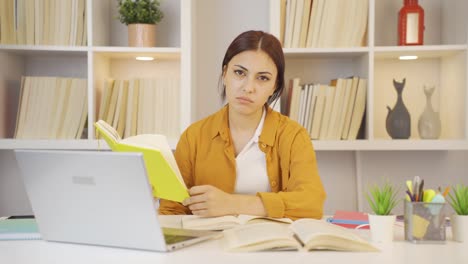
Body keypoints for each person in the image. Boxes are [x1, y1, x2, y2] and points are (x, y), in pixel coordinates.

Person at [158, 30, 326, 220]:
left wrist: (231, 204)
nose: (248, 88)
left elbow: (311, 204)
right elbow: (171, 210)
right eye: (239, 73)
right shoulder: (193, 136)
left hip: (271, 245)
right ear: (224, 74)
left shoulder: (294, 135)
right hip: (209, 246)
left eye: (262, 78)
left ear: (274, 86)